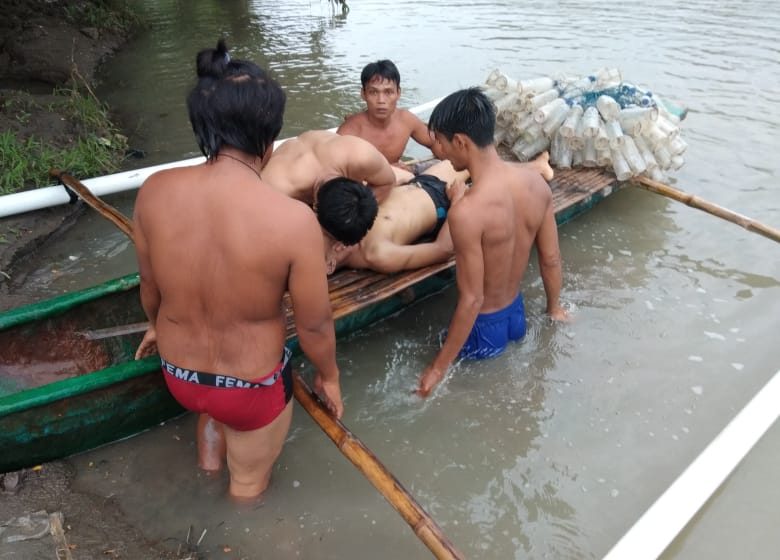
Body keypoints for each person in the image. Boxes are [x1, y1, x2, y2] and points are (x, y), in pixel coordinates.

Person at [132, 39, 343, 501]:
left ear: (202, 126)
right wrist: (329, 376)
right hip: (249, 387)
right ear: (269, 138)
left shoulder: (153, 191)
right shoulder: (293, 220)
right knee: (248, 487)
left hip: (180, 375)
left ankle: (207, 473)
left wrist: (153, 326)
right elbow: (314, 324)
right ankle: (237, 521)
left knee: (210, 412)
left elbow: (150, 285)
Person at [416, 87, 569, 398]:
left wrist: (436, 369)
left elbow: (472, 299)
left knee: (454, 385)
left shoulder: (467, 212)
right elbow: (551, 259)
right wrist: (554, 309)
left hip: (482, 330)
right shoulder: (537, 184)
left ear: (461, 141)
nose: (440, 152)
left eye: (442, 143)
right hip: (516, 315)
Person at [262, 129, 402, 205]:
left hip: (322, 145)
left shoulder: (360, 155)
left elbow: (387, 182)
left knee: (403, 177)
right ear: (316, 205)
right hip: (288, 158)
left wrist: (361, 210)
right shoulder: (276, 187)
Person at [336, 59, 433, 168]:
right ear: (363, 94)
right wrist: (389, 172)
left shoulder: (406, 120)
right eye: (373, 92)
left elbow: (437, 144)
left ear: (398, 93)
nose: (381, 100)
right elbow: (333, 170)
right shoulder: (350, 131)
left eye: (388, 92)